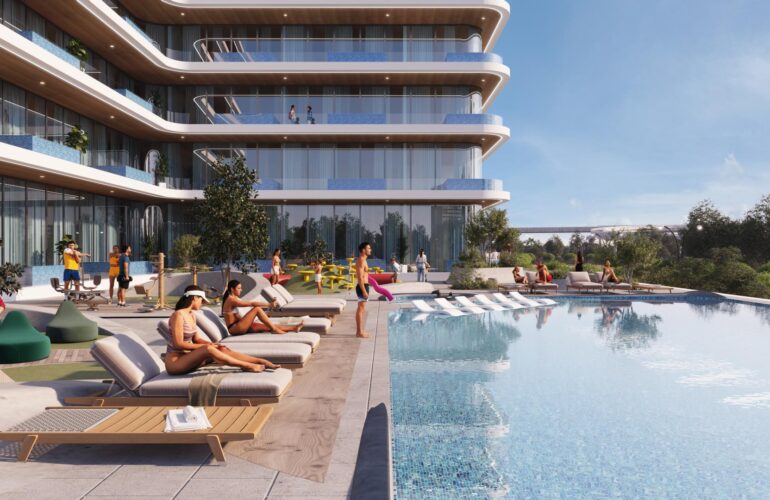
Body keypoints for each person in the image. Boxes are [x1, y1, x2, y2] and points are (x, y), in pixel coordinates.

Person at [165, 285, 279, 375]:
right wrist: (207, 347)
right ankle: (246, 366)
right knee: (209, 349)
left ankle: (259, 361)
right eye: (201, 300)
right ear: (194, 298)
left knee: (220, 349)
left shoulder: (192, 315)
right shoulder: (178, 315)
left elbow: (197, 339)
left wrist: (214, 344)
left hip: (190, 359)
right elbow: (178, 344)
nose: (202, 303)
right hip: (176, 363)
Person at [221, 280, 302, 335]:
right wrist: (269, 305)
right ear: (232, 289)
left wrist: (249, 321)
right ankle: (274, 330)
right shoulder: (231, 300)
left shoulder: (234, 298)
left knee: (268, 325)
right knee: (257, 309)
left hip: (239, 325)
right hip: (235, 329)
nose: (241, 290)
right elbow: (252, 303)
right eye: (239, 288)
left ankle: (293, 328)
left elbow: (235, 316)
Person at [355, 241, 371, 339]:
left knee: (362, 309)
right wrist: (364, 291)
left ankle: (360, 331)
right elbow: (360, 277)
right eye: (368, 248)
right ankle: (359, 332)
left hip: (365, 286)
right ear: (363, 250)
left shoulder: (364, 260)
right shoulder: (361, 260)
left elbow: (365, 275)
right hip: (362, 287)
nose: (370, 250)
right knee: (360, 310)